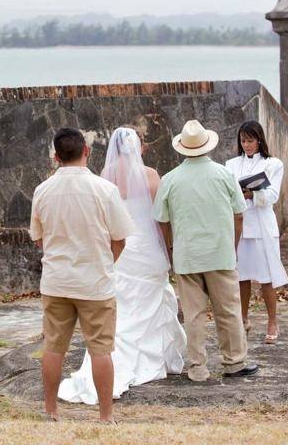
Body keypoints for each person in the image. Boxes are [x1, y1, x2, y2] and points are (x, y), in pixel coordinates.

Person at [59, 127, 186, 405]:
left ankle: (112, 360)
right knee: (151, 303)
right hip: (148, 251)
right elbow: (161, 218)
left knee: (123, 308)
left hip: (121, 248)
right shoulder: (152, 176)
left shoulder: (107, 175)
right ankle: (152, 358)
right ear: (139, 147)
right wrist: (168, 248)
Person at [30, 127, 137, 422]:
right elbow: (120, 238)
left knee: (54, 346)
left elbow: (39, 237)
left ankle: (50, 409)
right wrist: (106, 262)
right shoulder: (104, 189)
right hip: (95, 281)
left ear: (55, 157)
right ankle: (105, 416)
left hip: (57, 280)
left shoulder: (43, 190)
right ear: (86, 152)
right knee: (101, 349)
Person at [153, 120, 259, 382]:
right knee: (229, 310)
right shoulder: (224, 175)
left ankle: (198, 366)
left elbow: (162, 220)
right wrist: (232, 247)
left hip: (187, 255)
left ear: (183, 148)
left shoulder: (170, 179)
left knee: (193, 314)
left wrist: (170, 248)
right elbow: (239, 216)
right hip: (220, 251)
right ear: (207, 145)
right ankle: (234, 362)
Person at [225, 120, 288, 345]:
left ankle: (272, 321)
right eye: (243, 141)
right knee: (241, 277)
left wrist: (252, 194)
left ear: (259, 140)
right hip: (240, 225)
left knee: (266, 277)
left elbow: (273, 195)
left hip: (262, 225)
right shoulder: (231, 165)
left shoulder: (273, 164)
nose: (246, 145)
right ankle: (243, 319)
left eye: (250, 140)